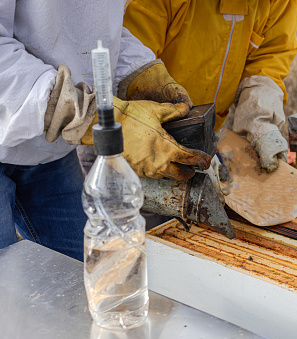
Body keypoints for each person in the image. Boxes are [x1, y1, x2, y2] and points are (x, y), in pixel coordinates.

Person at [0, 1, 209, 260]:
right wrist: (82, 111)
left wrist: (136, 71)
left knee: (82, 272)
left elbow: (92, 29)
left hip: (50, 149)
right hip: (22, 114)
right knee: (4, 284)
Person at [123, 0, 297, 173]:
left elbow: (269, 59)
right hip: (145, 132)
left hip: (209, 133)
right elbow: (131, 68)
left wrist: (261, 122)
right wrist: (148, 131)